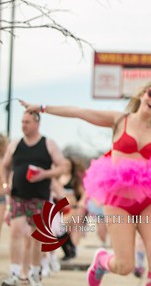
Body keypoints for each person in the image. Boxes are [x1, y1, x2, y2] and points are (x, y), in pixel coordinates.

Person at [20, 80, 151, 286]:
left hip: (148, 200)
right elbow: (79, 112)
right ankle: (101, 262)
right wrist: (42, 108)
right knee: (125, 266)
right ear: (141, 95)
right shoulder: (120, 120)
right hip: (118, 202)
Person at [0, 111, 68, 286]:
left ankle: (34, 272)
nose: (24, 125)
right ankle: (15, 272)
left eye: (27, 122)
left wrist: (44, 173)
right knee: (15, 232)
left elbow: (62, 167)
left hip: (40, 196)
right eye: (22, 122)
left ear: (37, 123)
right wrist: (5, 184)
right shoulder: (15, 144)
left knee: (36, 236)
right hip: (18, 196)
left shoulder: (48, 144)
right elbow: (5, 165)